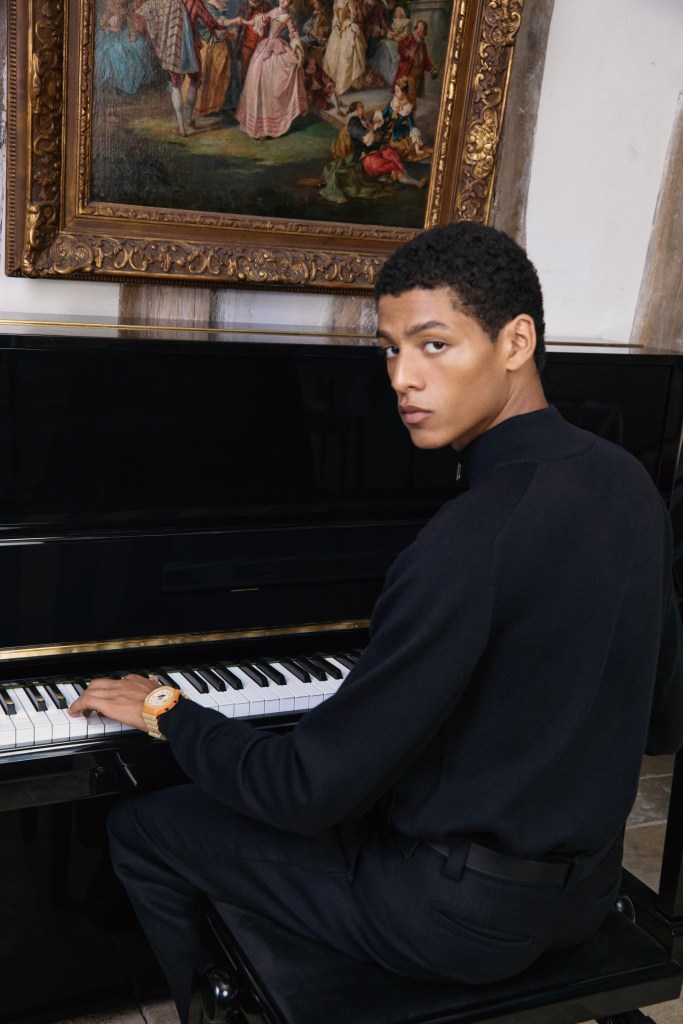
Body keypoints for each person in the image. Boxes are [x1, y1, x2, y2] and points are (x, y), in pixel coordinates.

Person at [71, 222, 683, 1024]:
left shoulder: (467, 541)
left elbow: (302, 791)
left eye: (434, 345)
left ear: (515, 341)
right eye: (390, 349)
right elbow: (663, 718)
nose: (401, 378)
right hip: (586, 893)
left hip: (455, 919)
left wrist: (167, 708)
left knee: (146, 827)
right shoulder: (627, 484)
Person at [135, 0, 232, 135]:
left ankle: (182, 128)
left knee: (176, 86)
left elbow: (145, 15)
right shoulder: (195, 2)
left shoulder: (166, 3)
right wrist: (224, 29)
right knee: (194, 82)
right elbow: (210, 22)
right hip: (192, 49)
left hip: (174, 49)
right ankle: (189, 119)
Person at [235, 0, 308, 139]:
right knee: (257, 81)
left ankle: (269, 127)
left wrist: (298, 51)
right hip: (264, 47)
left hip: (277, 49)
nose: (283, 2)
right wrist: (244, 22)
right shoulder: (273, 11)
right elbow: (258, 20)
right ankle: (258, 127)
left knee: (273, 85)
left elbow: (294, 35)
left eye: (287, 1)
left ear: (290, 4)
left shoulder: (287, 17)